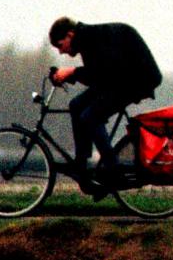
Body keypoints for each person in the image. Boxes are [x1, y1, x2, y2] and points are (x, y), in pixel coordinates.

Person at [48, 17, 162, 198]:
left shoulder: (91, 39)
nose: (61, 52)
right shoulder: (88, 38)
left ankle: (113, 169)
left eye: (61, 45)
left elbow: (102, 73)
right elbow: (99, 74)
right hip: (119, 79)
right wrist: (68, 75)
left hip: (137, 80)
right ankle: (82, 164)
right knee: (76, 105)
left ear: (70, 35)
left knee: (90, 117)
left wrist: (72, 72)